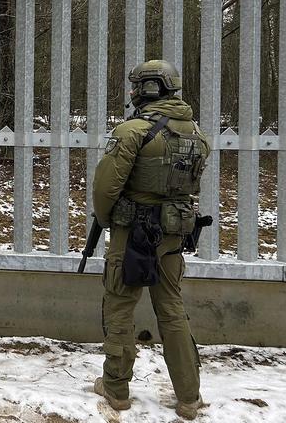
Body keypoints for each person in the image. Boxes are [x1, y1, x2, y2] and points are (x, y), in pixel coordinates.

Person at [91, 60, 210, 420]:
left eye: (136, 86)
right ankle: (189, 396)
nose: (131, 93)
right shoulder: (197, 134)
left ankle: (115, 388)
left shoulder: (133, 131)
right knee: (172, 308)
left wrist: (106, 218)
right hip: (173, 234)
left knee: (120, 305)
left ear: (150, 88)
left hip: (132, 233)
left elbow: (105, 187)